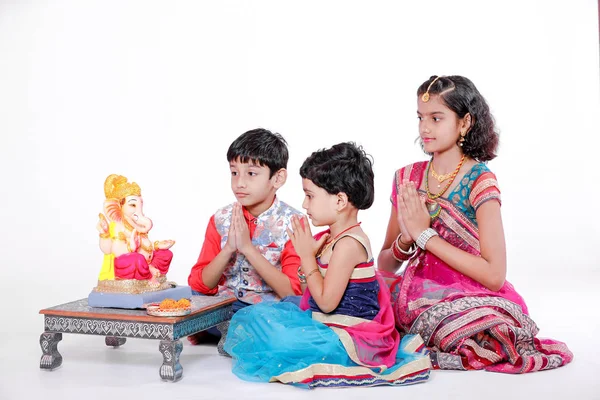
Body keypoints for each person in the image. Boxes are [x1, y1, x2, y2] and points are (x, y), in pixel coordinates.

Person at [378, 75, 573, 373]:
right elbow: (386, 265)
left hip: (470, 295)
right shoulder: (407, 178)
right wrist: (406, 241)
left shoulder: (479, 180)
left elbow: (494, 275)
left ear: (464, 123)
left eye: (436, 118)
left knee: (484, 335)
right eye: (420, 117)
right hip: (412, 295)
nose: (424, 127)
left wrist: (425, 236)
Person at [224, 142, 431, 388]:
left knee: (280, 338)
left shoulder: (349, 245)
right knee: (271, 312)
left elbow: (326, 302)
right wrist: (310, 257)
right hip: (325, 320)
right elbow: (308, 290)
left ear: (340, 201)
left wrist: (306, 256)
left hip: (346, 335)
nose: (304, 204)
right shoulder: (330, 238)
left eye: (310, 196)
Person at [187, 128, 303, 345]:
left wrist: (248, 248)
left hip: (268, 311)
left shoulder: (294, 222)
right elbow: (202, 285)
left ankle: (224, 332)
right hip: (226, 306)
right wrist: (228, 249)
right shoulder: (220, 219)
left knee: (298, 306)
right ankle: (227, 331)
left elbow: (291, 290)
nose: (239, 183)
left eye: (251, 173)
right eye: (234, 172)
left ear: (277, 178)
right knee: (189, 295)